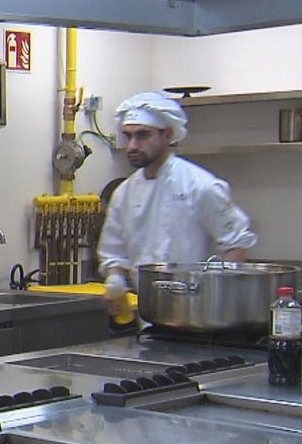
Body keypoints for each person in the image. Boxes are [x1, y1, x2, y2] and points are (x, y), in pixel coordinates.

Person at [98, 91, 257, 311]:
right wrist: (115, 282)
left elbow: (236, 244)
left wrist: (216, 296)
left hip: (197, 313)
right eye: (128, 136)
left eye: (142, 135)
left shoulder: (200, 185)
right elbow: (113, 254)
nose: (132, 145)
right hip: (147, 313)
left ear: (167, 135)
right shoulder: (124, 193)